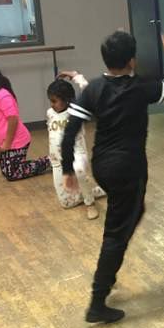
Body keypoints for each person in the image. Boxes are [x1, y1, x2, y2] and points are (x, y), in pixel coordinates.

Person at [60, 30, 164, 324]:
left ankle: (109, 269)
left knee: (133, 213)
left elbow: (70, 130)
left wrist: (68, 169)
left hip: (104, 167)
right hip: (129, 169)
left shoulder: (94, 89)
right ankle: (98, 300)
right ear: (132, 60)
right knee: (117, 232)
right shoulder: (140, 88)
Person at [0, 65, 50, 181]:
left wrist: (7, 143)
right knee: (7, 172)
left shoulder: (2, 95)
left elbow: (13, 119)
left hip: (16, 141)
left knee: (12, 174)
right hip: (5, 141)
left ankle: (50, 161)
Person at [46, 73, 104, 219]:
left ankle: (89, 203)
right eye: (50, 101)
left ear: (66, 100)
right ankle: (94, 190)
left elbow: (88, 90)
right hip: (58, 161)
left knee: (78, 170)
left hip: (77, 154)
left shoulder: (77, 111)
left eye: (54, 101)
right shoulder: (50, 113)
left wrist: (75, 76)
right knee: (66, 203)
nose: (51, 104)